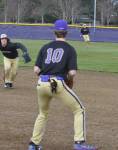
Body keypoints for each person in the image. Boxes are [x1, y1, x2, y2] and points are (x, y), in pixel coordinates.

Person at [28, 20, 97, 150]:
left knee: (42, 113)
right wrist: (68, 79)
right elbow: (72, 72)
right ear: (66, 32)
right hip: (57, 84)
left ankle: (33, 144)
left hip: (41, 84)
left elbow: (36, 70)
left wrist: (46, 77)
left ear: (54, 32)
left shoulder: (45, 46)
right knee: (79, 109)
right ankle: (79, 143)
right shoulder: (70, 49)